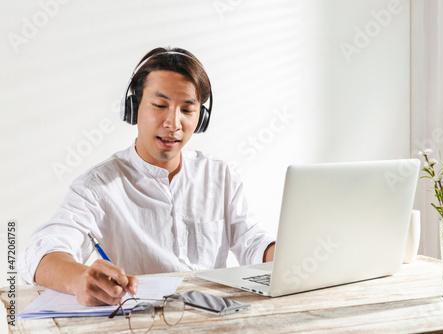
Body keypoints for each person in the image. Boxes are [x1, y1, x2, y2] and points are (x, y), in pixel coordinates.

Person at [18, 47, 276, 306]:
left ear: (201, 118)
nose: (173, 123)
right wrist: (78, 278)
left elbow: (251, 240)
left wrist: (282, 255)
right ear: (133, 109)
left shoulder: (219, 175)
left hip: (214, 317)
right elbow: (39, 254)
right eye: (160, 105)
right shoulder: (98, 186)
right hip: (142, 321)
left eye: (187, 110)